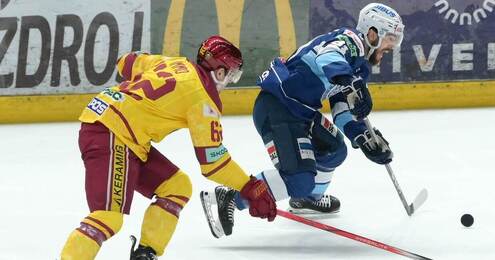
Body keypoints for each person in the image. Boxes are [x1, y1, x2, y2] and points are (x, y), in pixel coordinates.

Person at [60, 36, 277, 260]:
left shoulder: (175, 63)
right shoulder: (203, 103)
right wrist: (250, 187)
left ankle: (146, 254)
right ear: (219, 72)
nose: (229, 81)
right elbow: (214, 164)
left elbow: (126, 61)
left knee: (177, 187)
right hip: (113, 135)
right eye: (231, 74)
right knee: (108, 217)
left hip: (116, 128)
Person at [201, 3, 401, 237]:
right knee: (299, 180)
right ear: (372, 33)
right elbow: (328, 58)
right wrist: (352, 82)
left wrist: (363, 137)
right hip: (278, 108)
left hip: (301, 112)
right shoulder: (350, 41)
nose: (392, 47)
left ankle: (306, 199)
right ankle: (231, 197)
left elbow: (341, 108)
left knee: (335, 148)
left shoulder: (359, 66)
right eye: (389, 39)